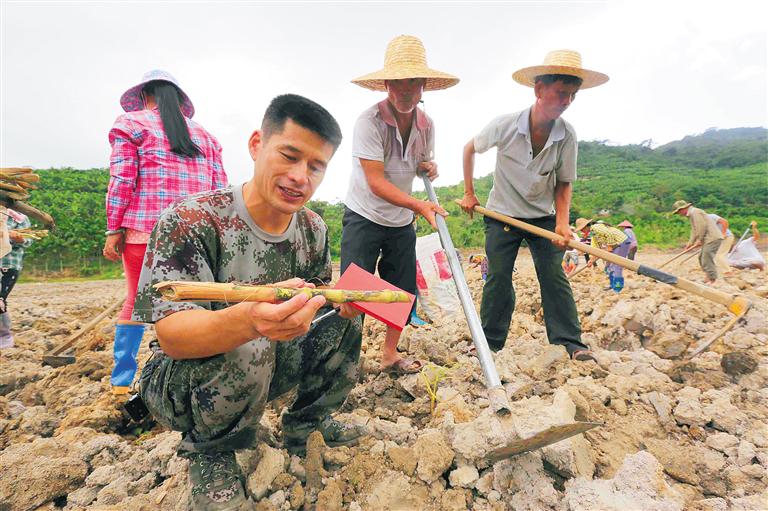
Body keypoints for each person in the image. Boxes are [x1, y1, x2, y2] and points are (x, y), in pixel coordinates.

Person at [133, 95, 367, 510]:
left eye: (316, 167)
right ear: (257, 144)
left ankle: (305, 426)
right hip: (181, 382)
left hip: (266, 363)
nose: (300, 177)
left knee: (343, 321)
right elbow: (171, 336)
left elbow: (313, 303)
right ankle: (211, 453)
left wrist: (337, 306)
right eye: (289, 156)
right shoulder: (192, 221)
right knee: (248, 336)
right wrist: (249, 322)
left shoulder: (312, 229)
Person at [459, 49, 608, 360]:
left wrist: (562, 224)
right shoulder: (505, 125)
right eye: (560, 93)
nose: (566, 101)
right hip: (501, 213)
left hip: (542, 217)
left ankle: (571, 341)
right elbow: (470, 148)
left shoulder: (567, 135)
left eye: (572, 95)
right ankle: (489, 343)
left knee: (553, 274)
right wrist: (470, 193)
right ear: (539, 90)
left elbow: (564, 182)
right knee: (499, 275)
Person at [104, 69, 228, 394]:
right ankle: (188, 379)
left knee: (134, 301)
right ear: (178, 101)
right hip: (198, 237)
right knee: (193, 306)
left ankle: (122, 381)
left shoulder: (130, 124)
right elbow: (220, 193)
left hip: (145, 233)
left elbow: (121, 181)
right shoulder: (207, 137)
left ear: (145, 97)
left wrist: (113, 228)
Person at [341, 34, 458, 374]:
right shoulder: (369, 122)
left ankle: (390, 355)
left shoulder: (426, 125)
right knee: (353, 289)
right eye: (399, 83)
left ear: (423, 87)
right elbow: (376, 182)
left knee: (402, 290)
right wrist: (419, 205)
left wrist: (429, 167)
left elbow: (421, 162)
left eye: (413, 83)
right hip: (365, 213)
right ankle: (344, 361)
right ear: (387, 86)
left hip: (400, 221)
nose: (406, 91)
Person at [0, 209, 33, 349]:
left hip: (8, 265)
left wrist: (17, 237)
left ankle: (4, 337)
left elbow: (28, 241)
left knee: (0, 300)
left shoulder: (18, 218)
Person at [671, 200, 724, 283]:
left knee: (706, 258)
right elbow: (694, 230)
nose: (680, 214)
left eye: (679, 212)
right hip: (707, 239)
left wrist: (699, 240)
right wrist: (690, 243)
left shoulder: (695, 212)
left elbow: (701, 226)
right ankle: (708, 276)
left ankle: (712, 278)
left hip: (712, 238)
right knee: (701, 257)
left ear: (683, 209)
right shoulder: (691, 215)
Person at [575, 218, 629, 292]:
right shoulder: (594, 235)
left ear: (586, 226)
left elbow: (608, 233)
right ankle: (612, 284)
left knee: (617, 265)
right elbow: (597, 250)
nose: (581, 231)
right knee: (608, 266)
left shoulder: (596, 227)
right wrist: (591, 260)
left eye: (582, 229)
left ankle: (618, 287)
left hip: (622, 242)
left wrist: (609, 246)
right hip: (615, 245)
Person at [708, 212, 734, 276]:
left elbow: (724, 222)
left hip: (727, 237)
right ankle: (724, 270)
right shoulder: (702, 222)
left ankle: (728, 272)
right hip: (719, 239)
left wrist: (723, 233)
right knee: (716, 256)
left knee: (719, 255)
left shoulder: (711, 216)